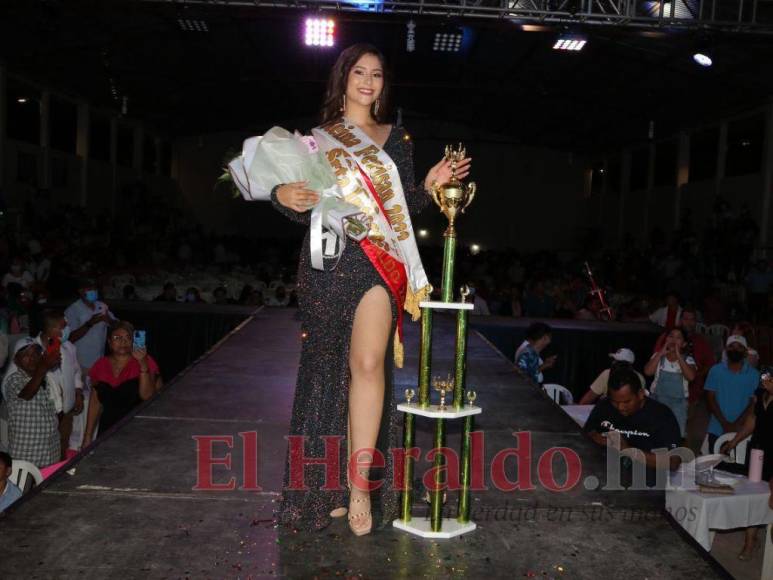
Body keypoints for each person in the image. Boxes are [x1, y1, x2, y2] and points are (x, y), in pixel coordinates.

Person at [267, 43, 468, 535]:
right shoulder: (315, 140)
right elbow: (298, 203)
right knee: (324, 372)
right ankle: (325, 488)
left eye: (377, 74)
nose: (368, 81)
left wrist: (432, 182)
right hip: (325, 263)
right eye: (359, 72)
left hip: (377, 262)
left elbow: (405, 206)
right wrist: (280, 193)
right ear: (343, 78)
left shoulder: (396, 137)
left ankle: (360, 488)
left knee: (369, 364)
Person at [584, 368, 682, 485]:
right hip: (605, 477)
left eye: (626, 402)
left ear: (640, 394)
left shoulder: (661, 415)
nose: (620, 407)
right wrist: (599, 438)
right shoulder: (604, 406)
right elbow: (587, 433)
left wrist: (628, 450)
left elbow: (673, 462)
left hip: (646, 484)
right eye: (615, 402)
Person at [720, 369, 773, 561]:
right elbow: (753, 420)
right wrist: (734, 442)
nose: (766, 381)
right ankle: (750, 541)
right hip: (757, 450)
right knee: (753, 493)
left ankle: (755, 541)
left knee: (766, 497)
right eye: (766, 378)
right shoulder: (760, 395)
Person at [82, 321, 161, 447]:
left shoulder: (146, 361)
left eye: (127, 338)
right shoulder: (100, 365)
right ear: (109, 342)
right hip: (107, 430)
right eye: (117, 338)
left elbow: (147, 396)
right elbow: (95, 402)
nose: (122, 342)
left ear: (133, 341)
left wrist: (143, 364)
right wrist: (87, 437)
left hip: (138, 431)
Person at [2, 338, 61, 468]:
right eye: (26, 355)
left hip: (51, 452)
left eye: (35, 354)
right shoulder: (12, 380)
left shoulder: (48, 378)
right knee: (26, 488)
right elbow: (26, 395)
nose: (32, 358)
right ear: (16, 360)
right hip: (27, 456)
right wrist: (44, 367)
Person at [34, 310, 85, 458]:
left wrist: (78, 392)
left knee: (63, 447)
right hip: (45, 415)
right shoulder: (32, 350)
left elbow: (76, 372)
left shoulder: (68, 347)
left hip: (66, 411)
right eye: (63, 327)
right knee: (44, 451)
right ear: (51, 330)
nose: (67, 330)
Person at [705, 335, 760, 451]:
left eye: (739, 347)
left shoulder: (754, 375)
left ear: (745, 352)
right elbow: (710, 399)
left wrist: (735, 425)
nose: (735, 349)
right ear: (726, 350)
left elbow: (753, 404)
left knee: (739, 468)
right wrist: (724, 423)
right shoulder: (715, 370)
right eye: (731, 346)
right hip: (717, 428)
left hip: (743, 431)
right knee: (715, 466)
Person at [644, 327, 696, 439]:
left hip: (678, 404)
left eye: (678, 338)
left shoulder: (688, 360)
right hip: (657, 400)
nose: (674, 339)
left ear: (684, 344)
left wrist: (679, 356)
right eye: (671, 336)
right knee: (654, 433)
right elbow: (648, 372)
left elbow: (691, 377)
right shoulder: (658, 357)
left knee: (676, 435)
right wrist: (660, 353)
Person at [64, 280, 116, 373]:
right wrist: (90, 323)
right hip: (81, 363)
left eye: (95, 288)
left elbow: (118, 326)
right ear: (80, 291)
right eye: (89, 288)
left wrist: (108, 319)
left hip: (100, 361)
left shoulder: (101, 306)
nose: (93, 291)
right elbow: (69, 338)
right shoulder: (72, 310)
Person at [579, 348, 646, 405]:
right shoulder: (640, 377)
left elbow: (589, 397)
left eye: (616, 361)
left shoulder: (607, 373)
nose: (613, 362)